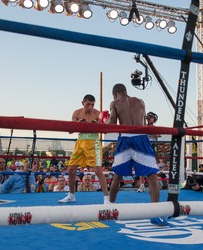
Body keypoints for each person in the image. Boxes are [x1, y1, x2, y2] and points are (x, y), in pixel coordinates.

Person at [107, 83, 167, 226]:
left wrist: (105, 120)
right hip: (141, 137)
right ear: (126, 91)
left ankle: (109, 208)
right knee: (152, 175)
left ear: (115, 94)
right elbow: (144, 121)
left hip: (125, 138)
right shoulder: (140, 101)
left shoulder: (115, 103)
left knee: (117, 175)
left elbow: (112, 124)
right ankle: (155, 213)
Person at [58, 94, 109, 204]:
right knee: (71, 169)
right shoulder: (76, 113)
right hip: (80, 143)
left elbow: (105, 131)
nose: (90, 107)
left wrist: (103, 122)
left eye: (92, 104)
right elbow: (70, 131)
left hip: (93, 143)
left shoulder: (97, 114)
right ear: (83, 103)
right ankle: (71, 196)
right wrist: (78, 124)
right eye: (88, 104)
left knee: (98, 170)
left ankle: (106, 199)